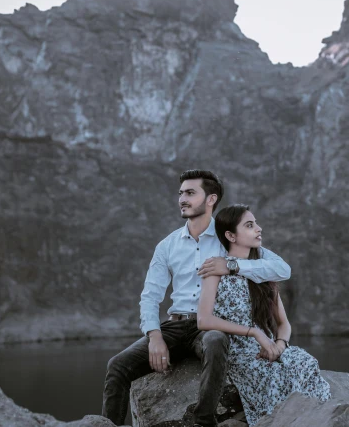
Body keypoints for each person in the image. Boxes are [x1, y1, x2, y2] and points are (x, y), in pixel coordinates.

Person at [102, 170, 291, 427]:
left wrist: (233, 266)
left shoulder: (229, 238)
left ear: (211, 199)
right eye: (181, 193)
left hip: (212, 326)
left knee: (215, 340)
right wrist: (154, 336)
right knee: (117, 366)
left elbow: (282, 269)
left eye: (190, 193)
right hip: (175, 325)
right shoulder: (167, 245)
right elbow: (150, 296)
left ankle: (203, 421)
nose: (182, 198)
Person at [197, 204, 331, 426]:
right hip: (239, 353)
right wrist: (255, 333)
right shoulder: (214, 270)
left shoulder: (263, 271)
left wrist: (279, 345)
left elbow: (283, 324)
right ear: (230, 235)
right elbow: (204, 320)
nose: (259, 229)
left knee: (304, 362)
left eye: (256, 223)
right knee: (273, 378)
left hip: (270, 349)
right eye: (250, 225)